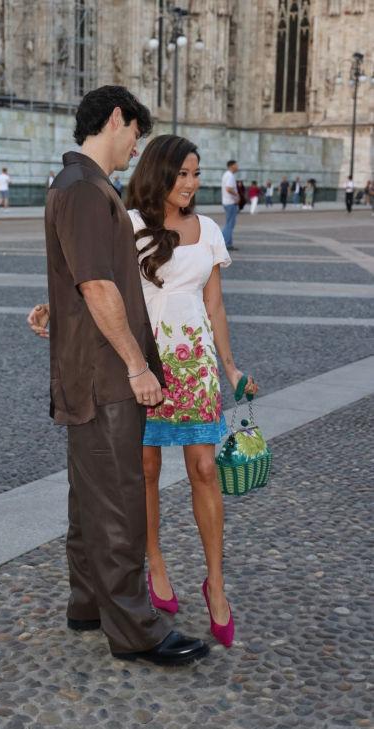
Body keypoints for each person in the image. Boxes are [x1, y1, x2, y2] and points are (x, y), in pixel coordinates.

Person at [26, 85, 209, 667]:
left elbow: (86, 272)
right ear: (114, 119)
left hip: (86, 367)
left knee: (90, 494)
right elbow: (98, 285)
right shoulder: (84, 188)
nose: (136, 146)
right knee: (120, 499)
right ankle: (136, 631)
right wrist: (137, 364)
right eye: (135, 131)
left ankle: (87, 602)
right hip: (106, 374)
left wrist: (56, 306)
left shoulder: (76, 185)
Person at [125, 134, 259, 649]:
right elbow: (102, 286)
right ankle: (154, 562)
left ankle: (215, 583)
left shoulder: (206, 231)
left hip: (197, 365)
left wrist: (231, 369)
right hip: (147, 365)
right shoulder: (132, 225)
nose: (191, 183)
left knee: (205, 468)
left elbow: (216, 306)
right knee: (147, 468)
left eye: (197, 174)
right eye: (182, 173)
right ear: (160, 173)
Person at [221, 160, 239, 251]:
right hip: (230, 202)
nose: (238, 166)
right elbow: (228, 188)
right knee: (230, 224)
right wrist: (237, 195)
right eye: (236, 165)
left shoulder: (226, 175)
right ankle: (227, 243)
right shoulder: (230, 175)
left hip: (227, 202)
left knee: (228, 224)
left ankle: (222, 242)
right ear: (232, 166)